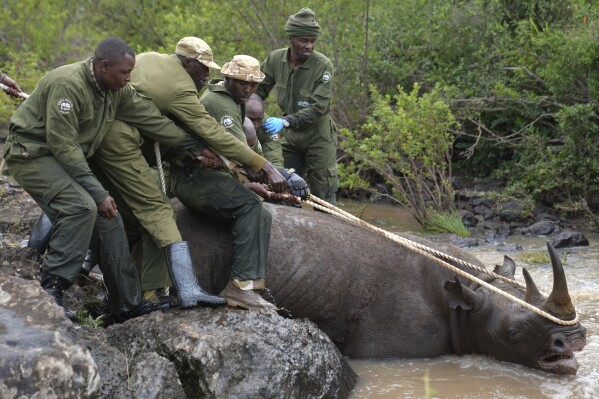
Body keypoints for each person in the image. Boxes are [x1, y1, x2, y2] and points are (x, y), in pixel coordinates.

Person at [2, 37, 190, 322]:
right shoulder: (67, 84)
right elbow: (63, 146)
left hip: (62, 158)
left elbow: (150, 118)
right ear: (103, 66)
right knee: (81, 207)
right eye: (124, 73)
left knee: (110, 219)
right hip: (32, 153)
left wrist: (195, 145)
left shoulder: (115, 89)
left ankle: (126, 304)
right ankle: (52, 286)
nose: (129, 79)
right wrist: (99, 193)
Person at [97, 38, 286, 310]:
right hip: (166, 164)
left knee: (154, 213)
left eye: (252, 84)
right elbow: (215, 135)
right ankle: (240, 286)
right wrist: (264, 166)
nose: (207, 75)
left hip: (164, 158)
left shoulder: (151, 57)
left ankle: (150, 292)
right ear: (188, 63)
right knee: (162, 213)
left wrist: (202, 153)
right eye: (204, 68)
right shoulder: (187, 91)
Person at [257, 7, 339, 204]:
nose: (309, 46)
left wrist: (284, 122)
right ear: (291, 39)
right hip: (292, 138)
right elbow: (257, 93)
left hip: (318, 137)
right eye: (304, 40)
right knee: (281, 184)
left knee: (324, 192)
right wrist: (254, 118)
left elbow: (318, 109)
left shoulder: (323, 65)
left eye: (313, 41)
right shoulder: (276, 59)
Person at [200, 55, 308, 202]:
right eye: (243, 83)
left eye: (253, 85)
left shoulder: (237, 98)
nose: (247, 90)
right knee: (253, 207)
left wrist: (281, 172)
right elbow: (238, 149)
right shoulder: (220, 104)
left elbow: (268, 142)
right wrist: (271, 172)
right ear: (227, 78)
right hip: (208, 168)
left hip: (232, 163)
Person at [245, 93, 284, 168]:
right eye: (251, 119)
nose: (256, 125)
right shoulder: (233, 118)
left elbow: (274, 151)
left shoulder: (267, 124)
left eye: (259, 120)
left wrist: (276, 170)